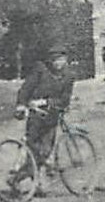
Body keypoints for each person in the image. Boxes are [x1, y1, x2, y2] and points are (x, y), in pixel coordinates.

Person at [15, 44, 75, 173]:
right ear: (50, 60)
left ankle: (28, 177)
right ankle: (25, 176)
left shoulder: (69, 76)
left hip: (52, 116)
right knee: (33, 149)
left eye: (61, 59)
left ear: (66, 60)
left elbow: (65, 100)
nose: (58, 63)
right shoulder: (40, 69)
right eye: (55, 59)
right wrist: (21, 104)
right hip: (36, 116)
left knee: (46, 150)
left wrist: (46, 101)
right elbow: (26, 88)